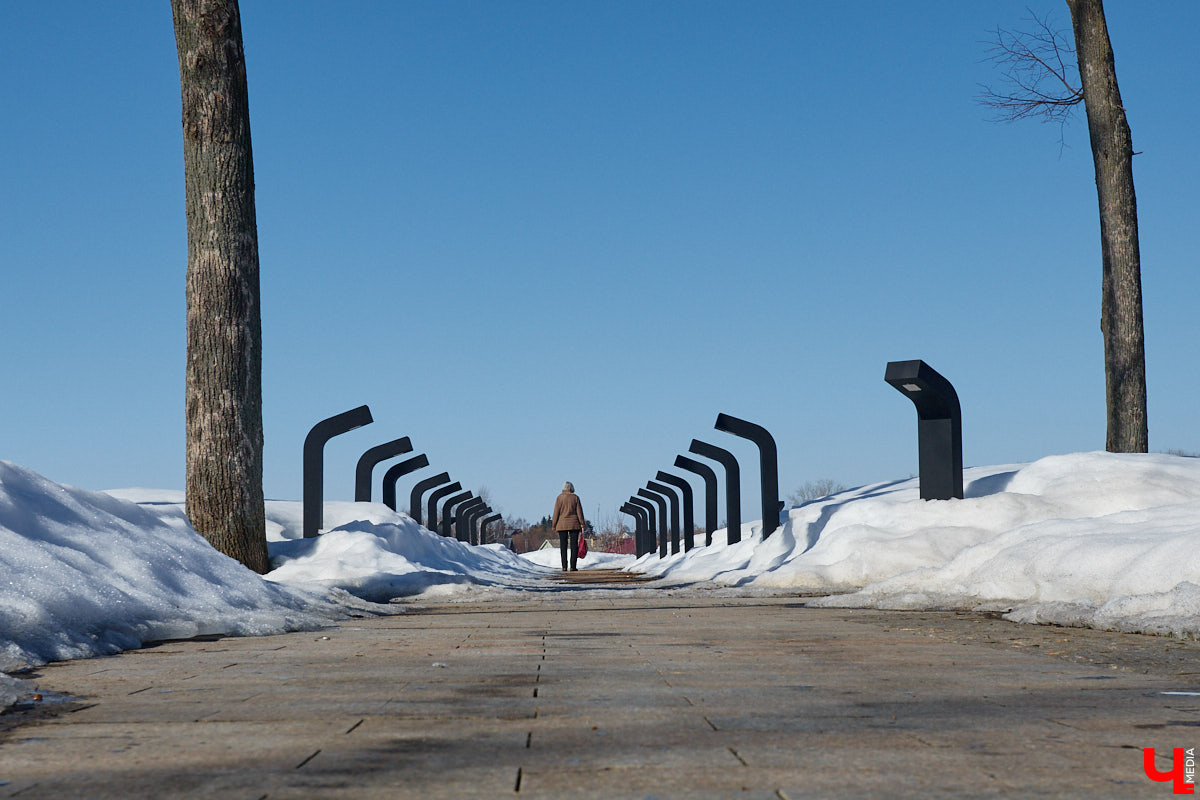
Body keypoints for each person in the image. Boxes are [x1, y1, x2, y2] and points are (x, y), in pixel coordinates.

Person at [552, 481, 585, 571]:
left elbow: (556, 512)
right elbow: (579, 512)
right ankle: (573, 566)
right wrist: (582, 524)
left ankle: (564, 566)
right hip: (574, 524)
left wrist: (554, 525)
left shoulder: (559, 498)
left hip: (561, 525)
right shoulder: (575, 498)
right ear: (572, 488)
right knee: (574, 545)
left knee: (563, 545)